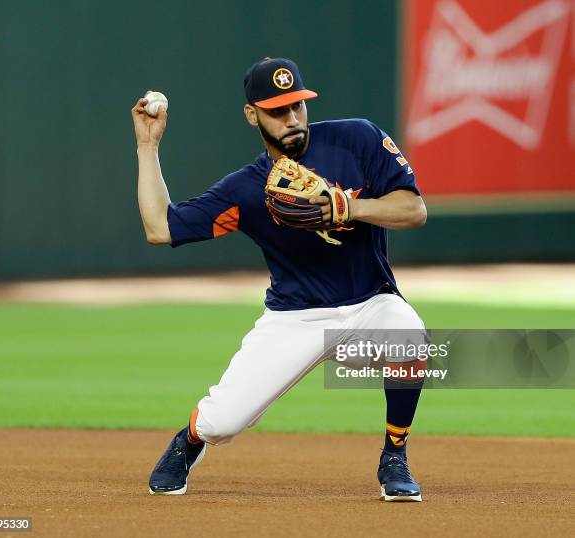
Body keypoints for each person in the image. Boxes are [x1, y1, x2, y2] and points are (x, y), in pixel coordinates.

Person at [131, 57, 427, 501]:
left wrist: (347, 207)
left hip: (370, 303)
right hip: (294, 318)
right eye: (276, 110)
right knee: (223, 421)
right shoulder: (246, 189)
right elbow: (160, 228)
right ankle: (189, 441)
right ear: (253, 115)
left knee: (410, 336)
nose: (291, 118)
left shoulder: (357, 139)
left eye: (297, 106)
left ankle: (395, 456)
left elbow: (413, 209)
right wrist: (148, 148)